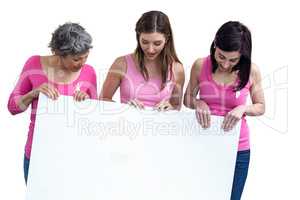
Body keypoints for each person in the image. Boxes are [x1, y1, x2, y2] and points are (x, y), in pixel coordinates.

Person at [183, 21, 265, 199]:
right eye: (221, 56)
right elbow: (187, 98)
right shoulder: (199, 65)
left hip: (238, 149)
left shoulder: (252, 71)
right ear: (214, 45)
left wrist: (243, 108)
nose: (226, 64)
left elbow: (260, 107)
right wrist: (198, 103)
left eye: (233, 60)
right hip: (202, 143)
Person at [7, 22, 98, 183]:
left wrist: (87, 103)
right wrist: (33, 94)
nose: (82, 63)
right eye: (76, 59)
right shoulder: (33, 64)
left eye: (86, 57)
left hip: (74, 156)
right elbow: (13, 107)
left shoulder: (89, 72)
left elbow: (96, 118)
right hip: (37, 155)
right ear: (58, 53)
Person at [99, 10, 184, 111]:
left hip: (161, 126)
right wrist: (124, 108)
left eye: (157, 43)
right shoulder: (121, 64)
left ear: (167, 39)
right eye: (145, 42)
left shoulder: (177, 69)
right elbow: (102, 100)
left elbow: (176, 107)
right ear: (138, 37)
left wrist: (170, 107)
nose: (150, 49)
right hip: (126, 124)